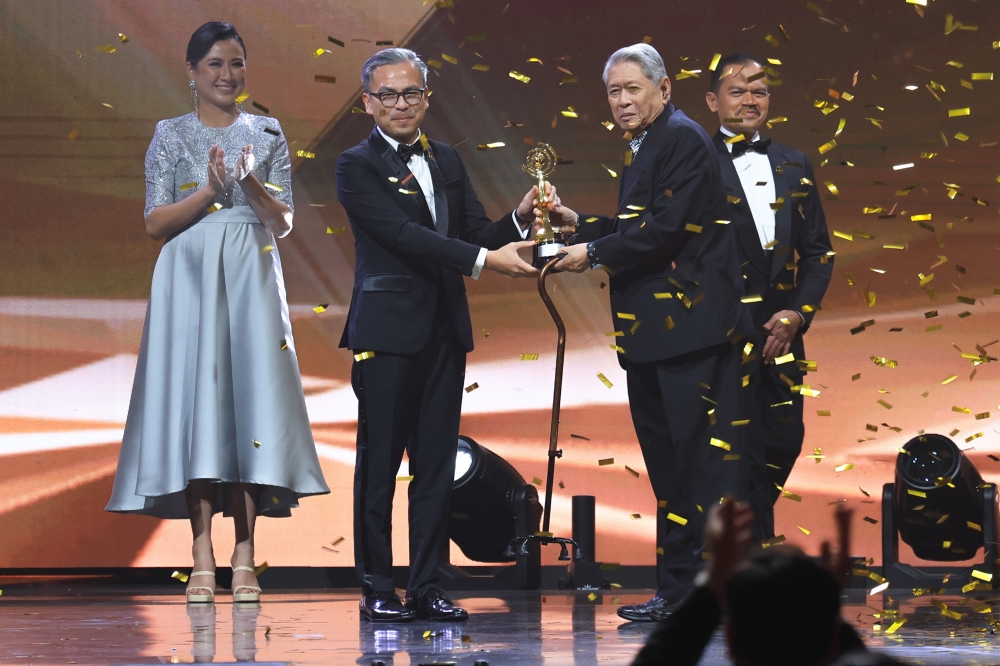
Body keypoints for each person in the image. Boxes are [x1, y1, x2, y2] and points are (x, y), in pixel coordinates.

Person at [106, 21, 330, 604]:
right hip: (189, 276)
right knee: (198, 406)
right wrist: (208, 191)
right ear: (191, 71)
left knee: (249, 406)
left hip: (252, 272)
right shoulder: (170, 133)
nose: (227, 75)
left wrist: (249, 182)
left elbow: (283, 222)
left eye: (236, 64)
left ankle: (246, 555)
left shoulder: (268, 131)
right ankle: (202, 553)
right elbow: (154, 222)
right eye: (214, 64)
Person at [543, 43, 763, 622]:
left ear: (664, 89)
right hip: (656, 337)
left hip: (690, 334)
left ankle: (712, 592)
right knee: (672, 471)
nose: (621, 101)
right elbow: (643, 226)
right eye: (613, 92)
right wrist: (582, 226)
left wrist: (592, 253)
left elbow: (666, 231)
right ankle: (680, 591)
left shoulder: (682, 139)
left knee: (700, 469)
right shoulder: (650, 143)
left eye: (632, 89)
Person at [336, 47, 541, 622]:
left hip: (444, 333)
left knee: (435, 469)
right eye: (388, 95)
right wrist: (486, 261)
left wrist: (519, 219)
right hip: (386, 334)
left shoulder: (446, 158)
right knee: (379, 469)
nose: (400, 104)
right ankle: (378, 586)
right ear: (368, 102)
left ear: (427, 98)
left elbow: (474, 233)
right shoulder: (355, 164)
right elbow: (403, 235)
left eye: (411, 93)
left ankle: (426, 586)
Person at [705, 53, 834, 536]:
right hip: (720, 336)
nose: (750, 100)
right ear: (713, 102)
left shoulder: (795, 163)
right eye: (737, 91)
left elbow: (818, 253)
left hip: (783, 336)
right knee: (734, 455)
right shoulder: (697, 164)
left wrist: (797, 315)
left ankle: (750, 544)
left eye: (758, 91)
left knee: (783, 440)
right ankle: (749, 552)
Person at [632, 499, 869, 666]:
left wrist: (714, 578)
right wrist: (828, 602)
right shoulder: (836, 637)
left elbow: (660, 657)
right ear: (834, 638)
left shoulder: (733, 638)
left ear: (730, 641)